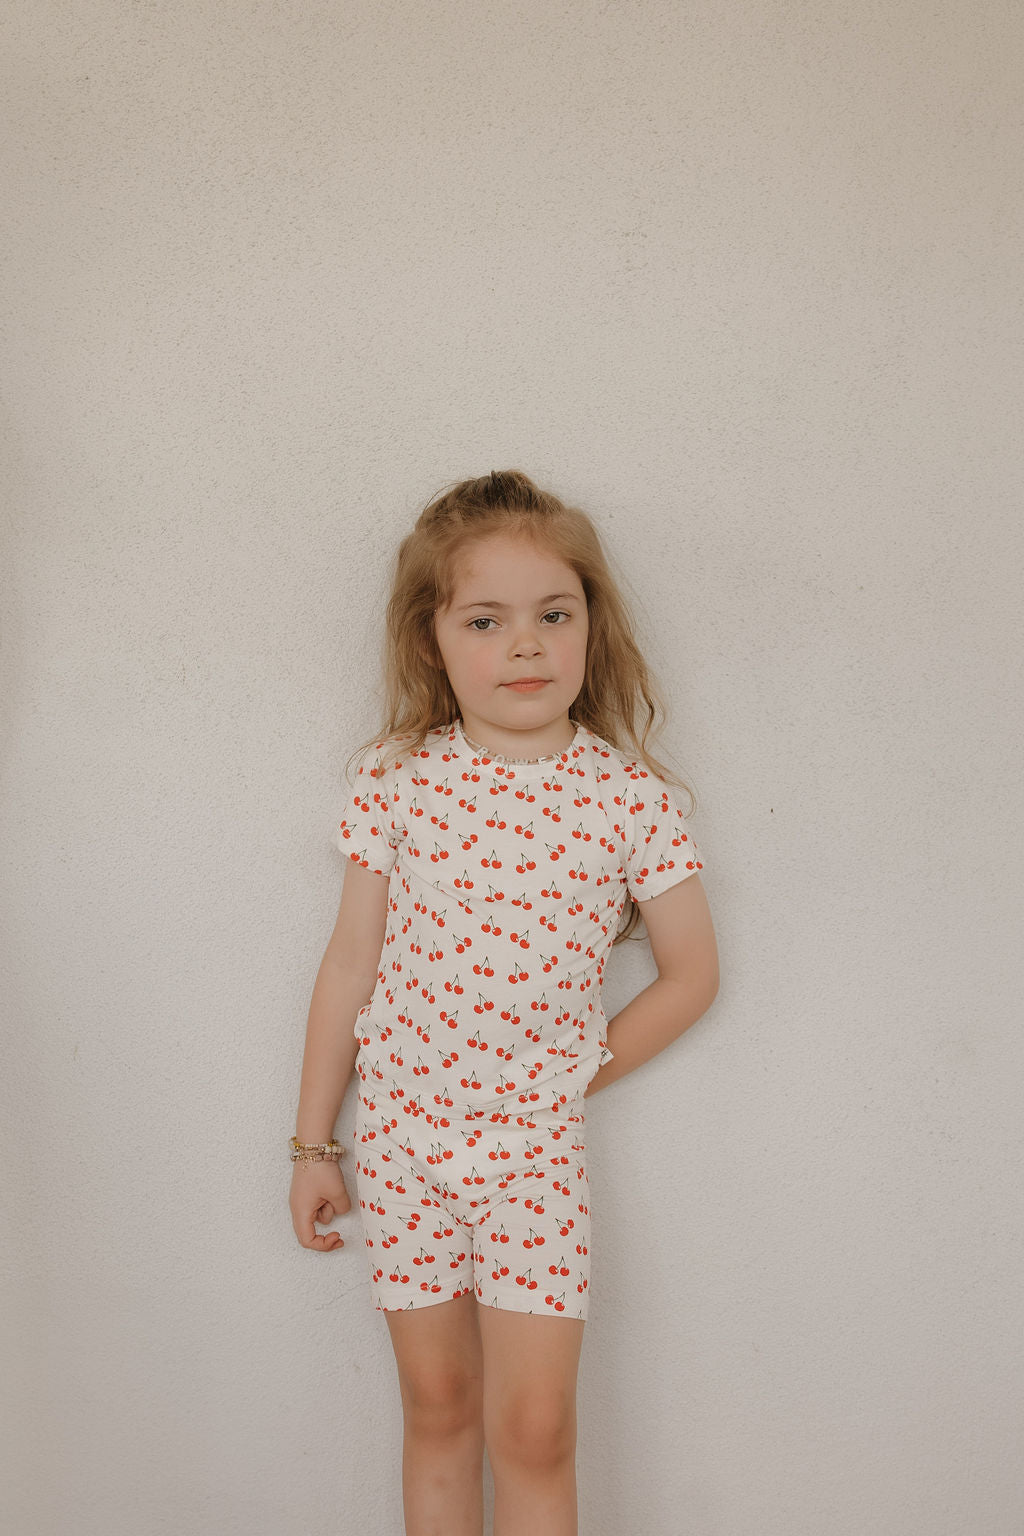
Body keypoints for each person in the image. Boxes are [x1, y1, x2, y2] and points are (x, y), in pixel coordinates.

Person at [289, 470, 720, 1536]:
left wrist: (577, 1068)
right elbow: (349, 964)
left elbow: (693, 973)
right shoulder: (396, 781)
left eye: (552, 616)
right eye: (487, 620)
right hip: (401, 1139)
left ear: (587, 628)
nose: (524, 646)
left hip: (533, 1151)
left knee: (534, 1428)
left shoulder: (629, 799)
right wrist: (312, 1148)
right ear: (434, 639)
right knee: (439, 1408)